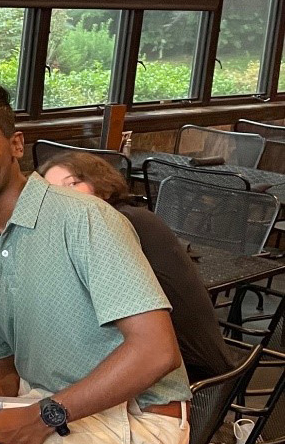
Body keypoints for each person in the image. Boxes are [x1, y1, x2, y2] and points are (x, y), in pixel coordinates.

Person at [0, 74, 190, 444]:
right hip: (50, 410)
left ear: (15, 145)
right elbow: (3, 376)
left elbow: (157, 350)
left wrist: (44, 415)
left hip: (138, 427)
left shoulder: (84, 218)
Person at [40, 152, 234, 381]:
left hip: (188, 374)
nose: (64, 196)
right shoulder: (127, 216)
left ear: (101, 184)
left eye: (72, 183)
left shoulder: (119, 224)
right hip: (183, 361)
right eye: (52, 191)